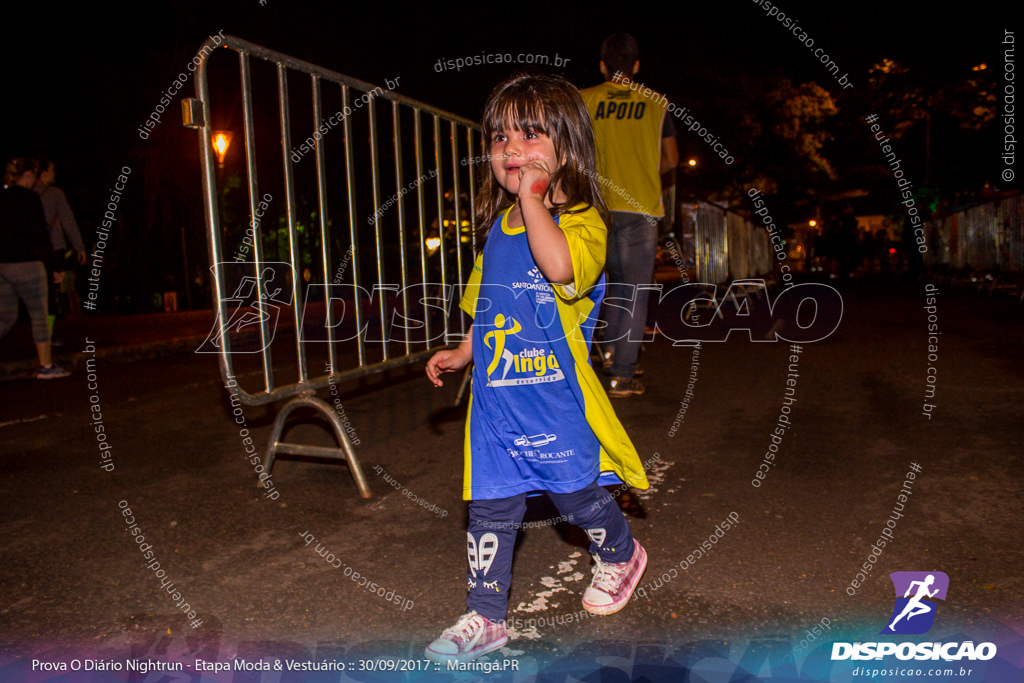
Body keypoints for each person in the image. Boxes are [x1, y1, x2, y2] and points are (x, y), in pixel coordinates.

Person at [424, 74, 650, 664]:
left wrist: (532, 199)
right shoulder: (498, 231)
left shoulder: (582, 223)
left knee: (576, 500)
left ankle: (622, 554)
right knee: (489, 511)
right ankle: (485, 615)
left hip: (556, 403)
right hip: (497, 406)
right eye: (500, 136)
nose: (510, 148)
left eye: (529, 133)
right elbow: (486, 302)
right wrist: (463, 351)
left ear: (568, 145)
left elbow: (558, 268)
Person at [580, 32, 678, 397]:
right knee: (633, 292)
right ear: (636, 66)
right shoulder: (657, 103)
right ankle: (622, 374)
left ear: (603, 65)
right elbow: (671, 159)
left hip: (596, 207)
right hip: (640, 208)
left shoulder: (584, 99)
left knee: (596, 287)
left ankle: (603, 350)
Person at [0, 158, 70, 378]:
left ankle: (46, 365)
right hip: (28, 264)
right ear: (27, 175)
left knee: (6, 316)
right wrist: (54, 267)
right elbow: (40, 234)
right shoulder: (30, 199)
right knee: (39, 314)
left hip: (3, 266)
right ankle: (46, 366)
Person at [34, 159, 86, 326]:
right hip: (54, 248)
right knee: (51, 291)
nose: (54, 173)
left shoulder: (28, 193)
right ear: (44, 173)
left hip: (33, 250)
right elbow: (68, 221)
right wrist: (79, 246)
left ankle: (39, 329)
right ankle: (47, 333)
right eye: (52, 170)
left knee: (36, 292)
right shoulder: (55, 193)